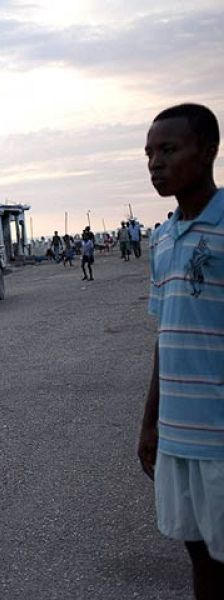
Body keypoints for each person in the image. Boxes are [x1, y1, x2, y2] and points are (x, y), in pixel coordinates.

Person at [138, 103, 224, 599]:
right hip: (177, 435)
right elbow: (165, 336)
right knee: (195, 549)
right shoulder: (164, 238)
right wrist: (151, 422)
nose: (156, 164)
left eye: (169, 150)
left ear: (209, 150)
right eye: (150, 154)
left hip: (218, 436)